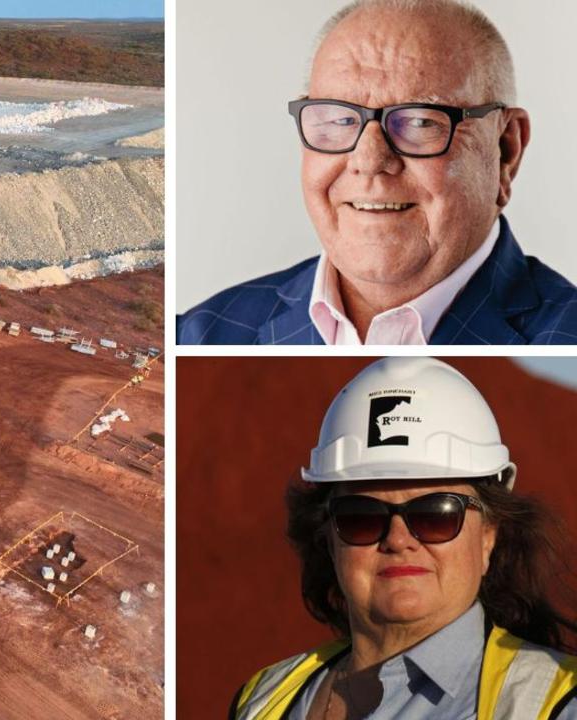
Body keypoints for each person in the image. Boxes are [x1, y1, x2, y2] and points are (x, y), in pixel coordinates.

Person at [179, 0, 577, 345]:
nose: (368, 159)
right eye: (339, 119)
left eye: (421, 121)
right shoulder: (201, 335)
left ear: (506, 149)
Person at [230, 357, 577, 719]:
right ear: (329, 540)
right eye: (361, 517)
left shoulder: (559, 703)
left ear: (488, 536)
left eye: (436, 515)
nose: (398, 539)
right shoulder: (263, 700)